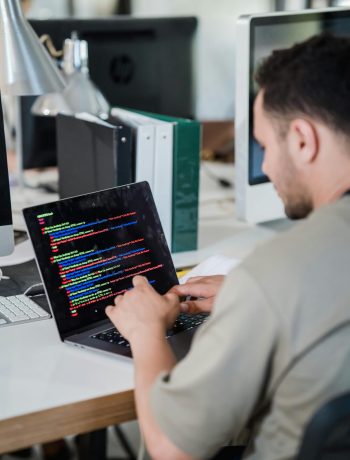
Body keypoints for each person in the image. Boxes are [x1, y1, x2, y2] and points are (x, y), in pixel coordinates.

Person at [105, 33, 350, 460]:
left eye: (263, 147)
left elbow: (170, 450)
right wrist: (250, 296)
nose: (267, 166)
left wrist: (146, 333)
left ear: (303, 139)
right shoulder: (277, 280)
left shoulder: (277, 273)